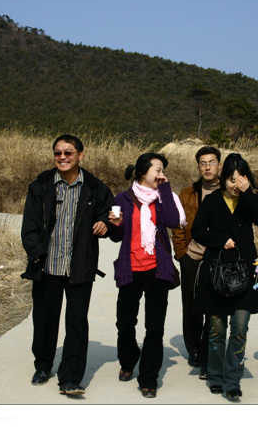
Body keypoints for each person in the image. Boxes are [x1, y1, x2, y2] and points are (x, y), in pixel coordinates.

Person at [20, 134, 115, 395]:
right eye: (58, 153)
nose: (62, 157)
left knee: (76, 323)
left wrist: (105, 223)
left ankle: (70, 378)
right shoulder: (41, 185)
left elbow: (110, 213)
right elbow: (30, 225)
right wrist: (35, 254)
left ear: (80, 156)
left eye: (68, 153)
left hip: (79, 266)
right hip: (47, 265)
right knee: (44, 319)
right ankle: (43, 366)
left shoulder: (96, 187)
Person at [108, 153, 186, 399]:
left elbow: (173, 221)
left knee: (154, 327)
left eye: (163, 170)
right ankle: (128, 359)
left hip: (157, 270)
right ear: (143, 172)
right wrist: (116, 224)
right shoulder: (121, 199)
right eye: (158, 170)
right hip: (130, 268)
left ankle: (149, 377)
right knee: (125, 322)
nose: (162, 174)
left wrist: (166, 189)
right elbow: (115, 237)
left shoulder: (165, 197)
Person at [191, 153, 258, 399]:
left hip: (246, 271)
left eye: (241, 180)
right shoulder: (213, 201)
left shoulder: (249, 201)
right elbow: (197, 231)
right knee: (216, 329)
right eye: (232, 180)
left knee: (240, 327)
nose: (236, 185)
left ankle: (233, 380)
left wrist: (248, 193)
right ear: (223, 178)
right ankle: (215, 377)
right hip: (217, 272)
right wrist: (220, 240)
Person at [171, 146, 221, 379]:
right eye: (203, 163)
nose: (207, 167)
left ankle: (210, 348)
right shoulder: (187, 193)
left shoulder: (229, 191)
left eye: (212, 162)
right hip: (192, 257)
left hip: (218, 259)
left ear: (219, 165)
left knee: (214, 307)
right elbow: (178, 226)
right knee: (191, 306)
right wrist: (182, 253)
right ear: (198, 166)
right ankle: (194, 348)